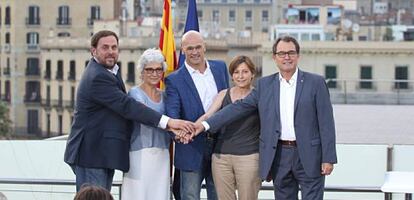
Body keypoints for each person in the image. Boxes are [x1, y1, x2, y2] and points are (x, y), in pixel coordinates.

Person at [195, 36, 337, 200]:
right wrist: (205, 125)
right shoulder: (265, 85)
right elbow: (238, 108)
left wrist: (328, 158)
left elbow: (326, 123)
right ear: (274, 57)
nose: (286, 57)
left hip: (311, 156)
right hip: (280, 156)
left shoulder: (316, 83)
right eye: (282, 53)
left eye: (291, 53)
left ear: (298, 56)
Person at [64, 30, 194, 192]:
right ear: (93, 51)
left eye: (114, 47)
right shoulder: (98, 76)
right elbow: (127, 106)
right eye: (105, 47)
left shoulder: (109, 71)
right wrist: (170, 122)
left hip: (101, 153)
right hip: (92, 153)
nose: (111, 51)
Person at [165, 30, 229, 200]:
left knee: (219, 195)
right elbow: (172, 115)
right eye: (190, 48)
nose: (195, 52)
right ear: (182, 50)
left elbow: (228, 103)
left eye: (198, 47)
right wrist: (179, 134)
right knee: (190, 196)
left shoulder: (220, 68)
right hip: (191, 146)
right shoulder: (174, 80)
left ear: (205, 47)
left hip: (221, 147)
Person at [195, 55, 261, 200]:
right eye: (236, 72)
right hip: (220, 158)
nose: (240, 76)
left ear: (252, 74)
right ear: (232, 76)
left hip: (249, 158)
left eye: (245, 72)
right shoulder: (224, 94)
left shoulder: (259, 96)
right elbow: (208, 116)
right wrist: (192, 128)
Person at [121, 48, 171, 199]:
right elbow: (146, 116)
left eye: (158, 69)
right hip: (139, 154)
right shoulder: (134, 94)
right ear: (141, 72)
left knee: (160, 194)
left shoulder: (166, 95)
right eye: (149, 70)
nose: (154, 73)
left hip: (163, 154)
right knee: (137, 195)